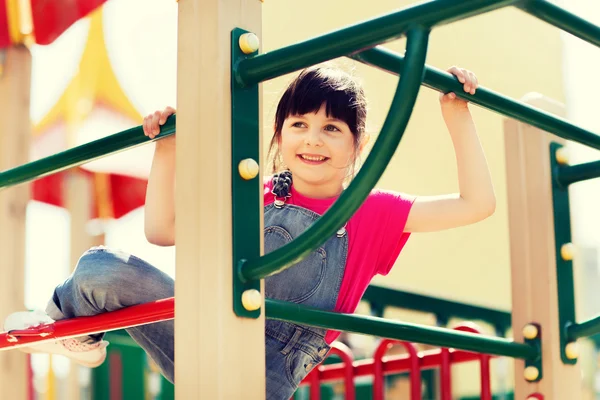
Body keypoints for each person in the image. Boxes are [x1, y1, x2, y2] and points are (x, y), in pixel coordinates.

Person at [3, 64, 495, 399]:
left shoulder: (370, 210)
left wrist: (456, 114)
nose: (312, 140)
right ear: (279, 134)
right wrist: (167, 148)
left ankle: (70, 329)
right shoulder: (256, 194)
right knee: (99, 266)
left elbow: (477, 205)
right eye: (299, 125)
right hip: (207, 331)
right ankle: (69, 333)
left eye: (332, 129)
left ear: (357, 143)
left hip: (269, 368)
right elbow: (161, 229)